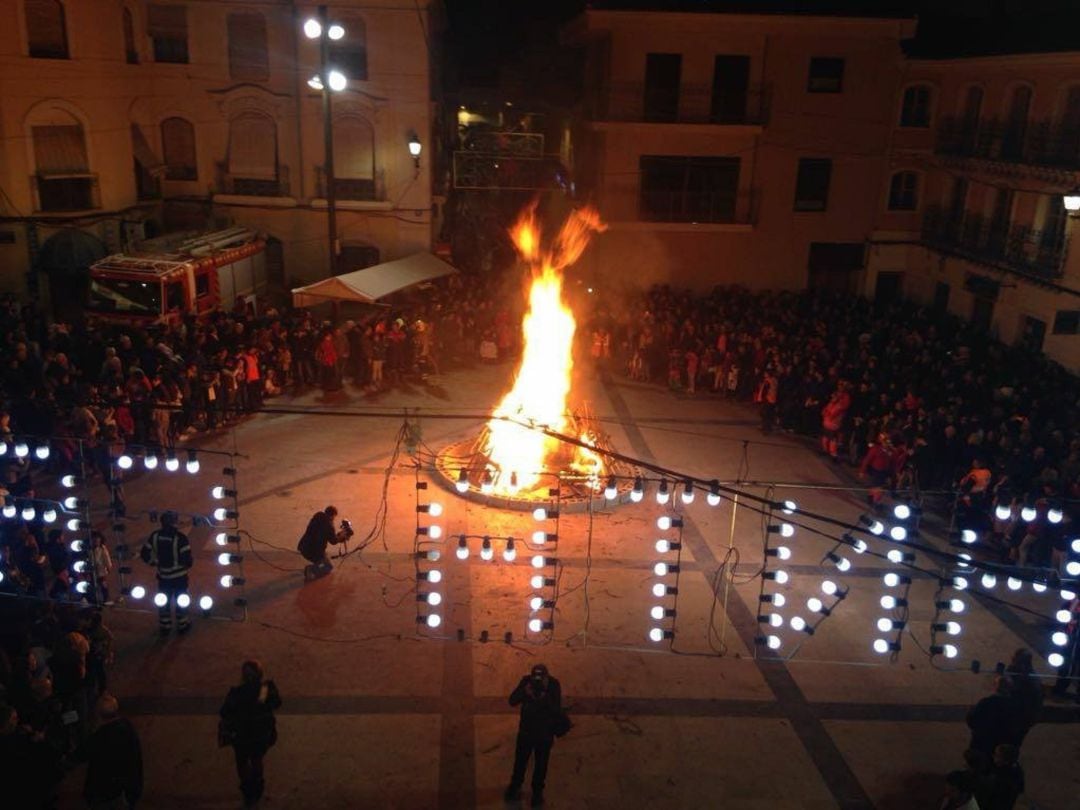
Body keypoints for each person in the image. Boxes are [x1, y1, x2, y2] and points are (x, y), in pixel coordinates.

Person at [220, 660, 281, 807]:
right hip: (259, 733)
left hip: (241, 734)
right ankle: (258, 785)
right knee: (256, 758)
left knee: (242, 761)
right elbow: (275, 703)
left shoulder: (236, 693)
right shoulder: (264, 690)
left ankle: (247, 790)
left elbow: (225, 712)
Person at [71, 693, 143, 810]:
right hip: (127, 789)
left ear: (99, 715)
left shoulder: (100, 737)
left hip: (105, 792)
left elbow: (80, 754)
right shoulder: (128, 728)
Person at [505, 663, 562, 807]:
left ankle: (537, 793)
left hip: (544, 735)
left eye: (540, 678)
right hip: (527, 732)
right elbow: (512, 701)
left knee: (541, 765)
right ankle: (515, 787)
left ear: (546, 677)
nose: (537, 680)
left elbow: (556, 709)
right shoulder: (526, 682)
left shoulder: (554, 685)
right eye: (534, 677)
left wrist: (544, 698)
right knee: (520, 762)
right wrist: (525, 691)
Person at [139, 511, 193, 635]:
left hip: (164, 577)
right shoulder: (181, 538)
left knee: (164, 601)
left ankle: (165, 626)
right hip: (180, 577)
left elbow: (144, 553)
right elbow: (188, 560)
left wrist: (154, 562)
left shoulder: (155, 536)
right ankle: (182, 624)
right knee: (181, 600)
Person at [966, 674, 1022, 757]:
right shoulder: (1014, 706)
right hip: (1003, 748)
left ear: (996, 687)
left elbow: (972, 720)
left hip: (982, 744)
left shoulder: (986, 703)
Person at [296, 506, 351, 581]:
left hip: (303, 547)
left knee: (324, 559)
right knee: (328, 567)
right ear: (333, 515)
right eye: (334, 517)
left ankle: (316, 566)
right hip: (313, 551)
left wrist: (338, 536)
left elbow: (326, 534)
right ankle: (311, 569)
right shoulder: (329, 525)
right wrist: (341, 536)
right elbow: (333, 541)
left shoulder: (317, 517)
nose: (334, 519)